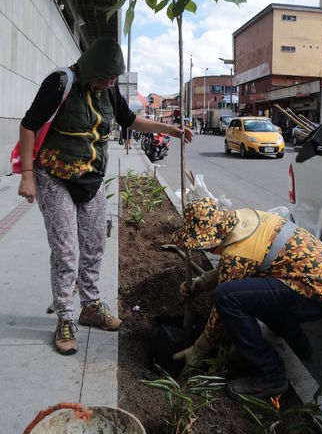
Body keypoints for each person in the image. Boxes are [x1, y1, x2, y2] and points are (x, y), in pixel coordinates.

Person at [17, 37, 193, 356]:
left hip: (91, 179)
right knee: (67, 250)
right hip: (53, 176)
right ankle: (65, 318)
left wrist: (171, 130)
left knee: (96, 242)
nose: (109, 83)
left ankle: (90, 306)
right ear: (92, 68)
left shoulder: (109, 89)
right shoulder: (60, 83)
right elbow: (29, 126)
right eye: (105, 77)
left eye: (113, 79)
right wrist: (27, 176)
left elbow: (130, 120)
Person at [173, 198, 322, 399]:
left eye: (204, 245)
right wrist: (199, 284)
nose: (205, 249)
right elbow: (234, 267)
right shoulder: (242, 222)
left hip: (320, 295)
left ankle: (271, 375)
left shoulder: (239, 255)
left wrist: (199, 348)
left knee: (228, 298)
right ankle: (299, 345)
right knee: (253, 291)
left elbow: (224, 298)